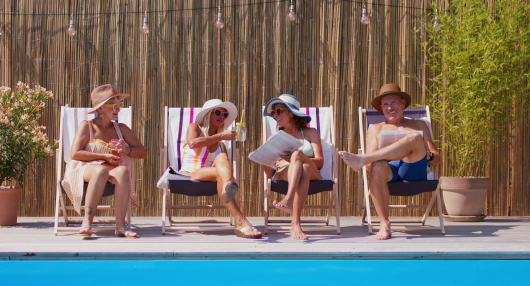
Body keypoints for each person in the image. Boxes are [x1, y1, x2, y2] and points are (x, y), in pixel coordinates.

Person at [338, 84, 440, 240]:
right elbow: (369, 167)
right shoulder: (375, 129)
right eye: (385, 104)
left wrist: (426, 154)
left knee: (414, 138)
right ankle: (384, 224)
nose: (390, 107)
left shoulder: (419, 124)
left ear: (403, 104)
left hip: (413, 169)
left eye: (394, 102)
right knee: (376, 165)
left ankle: (362, 158)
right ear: (381, 108)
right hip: (389, 172)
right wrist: (377, 159)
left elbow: (437, 159)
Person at [62, 84, 147, 238]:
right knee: (100, 170)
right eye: (113, 106)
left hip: (110, 168)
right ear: (100, 108)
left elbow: (142, 152)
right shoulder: (88, 126)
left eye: (119, 105)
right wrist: (104, 156)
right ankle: (87, 222)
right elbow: (75, 154)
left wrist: (126, 150)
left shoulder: (121, 129)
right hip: (85, 167)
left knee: (123, 171)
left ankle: (120, 226)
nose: (118, 109)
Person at [179, 99, 262, 239]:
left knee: (222, 158)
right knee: (224, 173)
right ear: (207, 115)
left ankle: (229, 189)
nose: (222, 116)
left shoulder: (221, 144)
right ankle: (241, 220)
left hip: (213, 175)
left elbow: (220, 165)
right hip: (190, 174)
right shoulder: (195, 128)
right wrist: (221, 135)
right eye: (217, 112)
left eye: (225, 114)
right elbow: (193, 143)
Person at [258, 94, 324, 240]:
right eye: (273, 113)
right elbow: (270, 174)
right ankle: (295, 223)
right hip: (284, 173)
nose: (275, 115)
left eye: (279, 111)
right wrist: (261, 159)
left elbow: (320, 162)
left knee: (299, 157)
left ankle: (288, 200)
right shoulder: (274, 139)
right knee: (303, 168)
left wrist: (300, 157)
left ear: (292, 113)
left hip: (314, 173)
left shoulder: (311, 133)